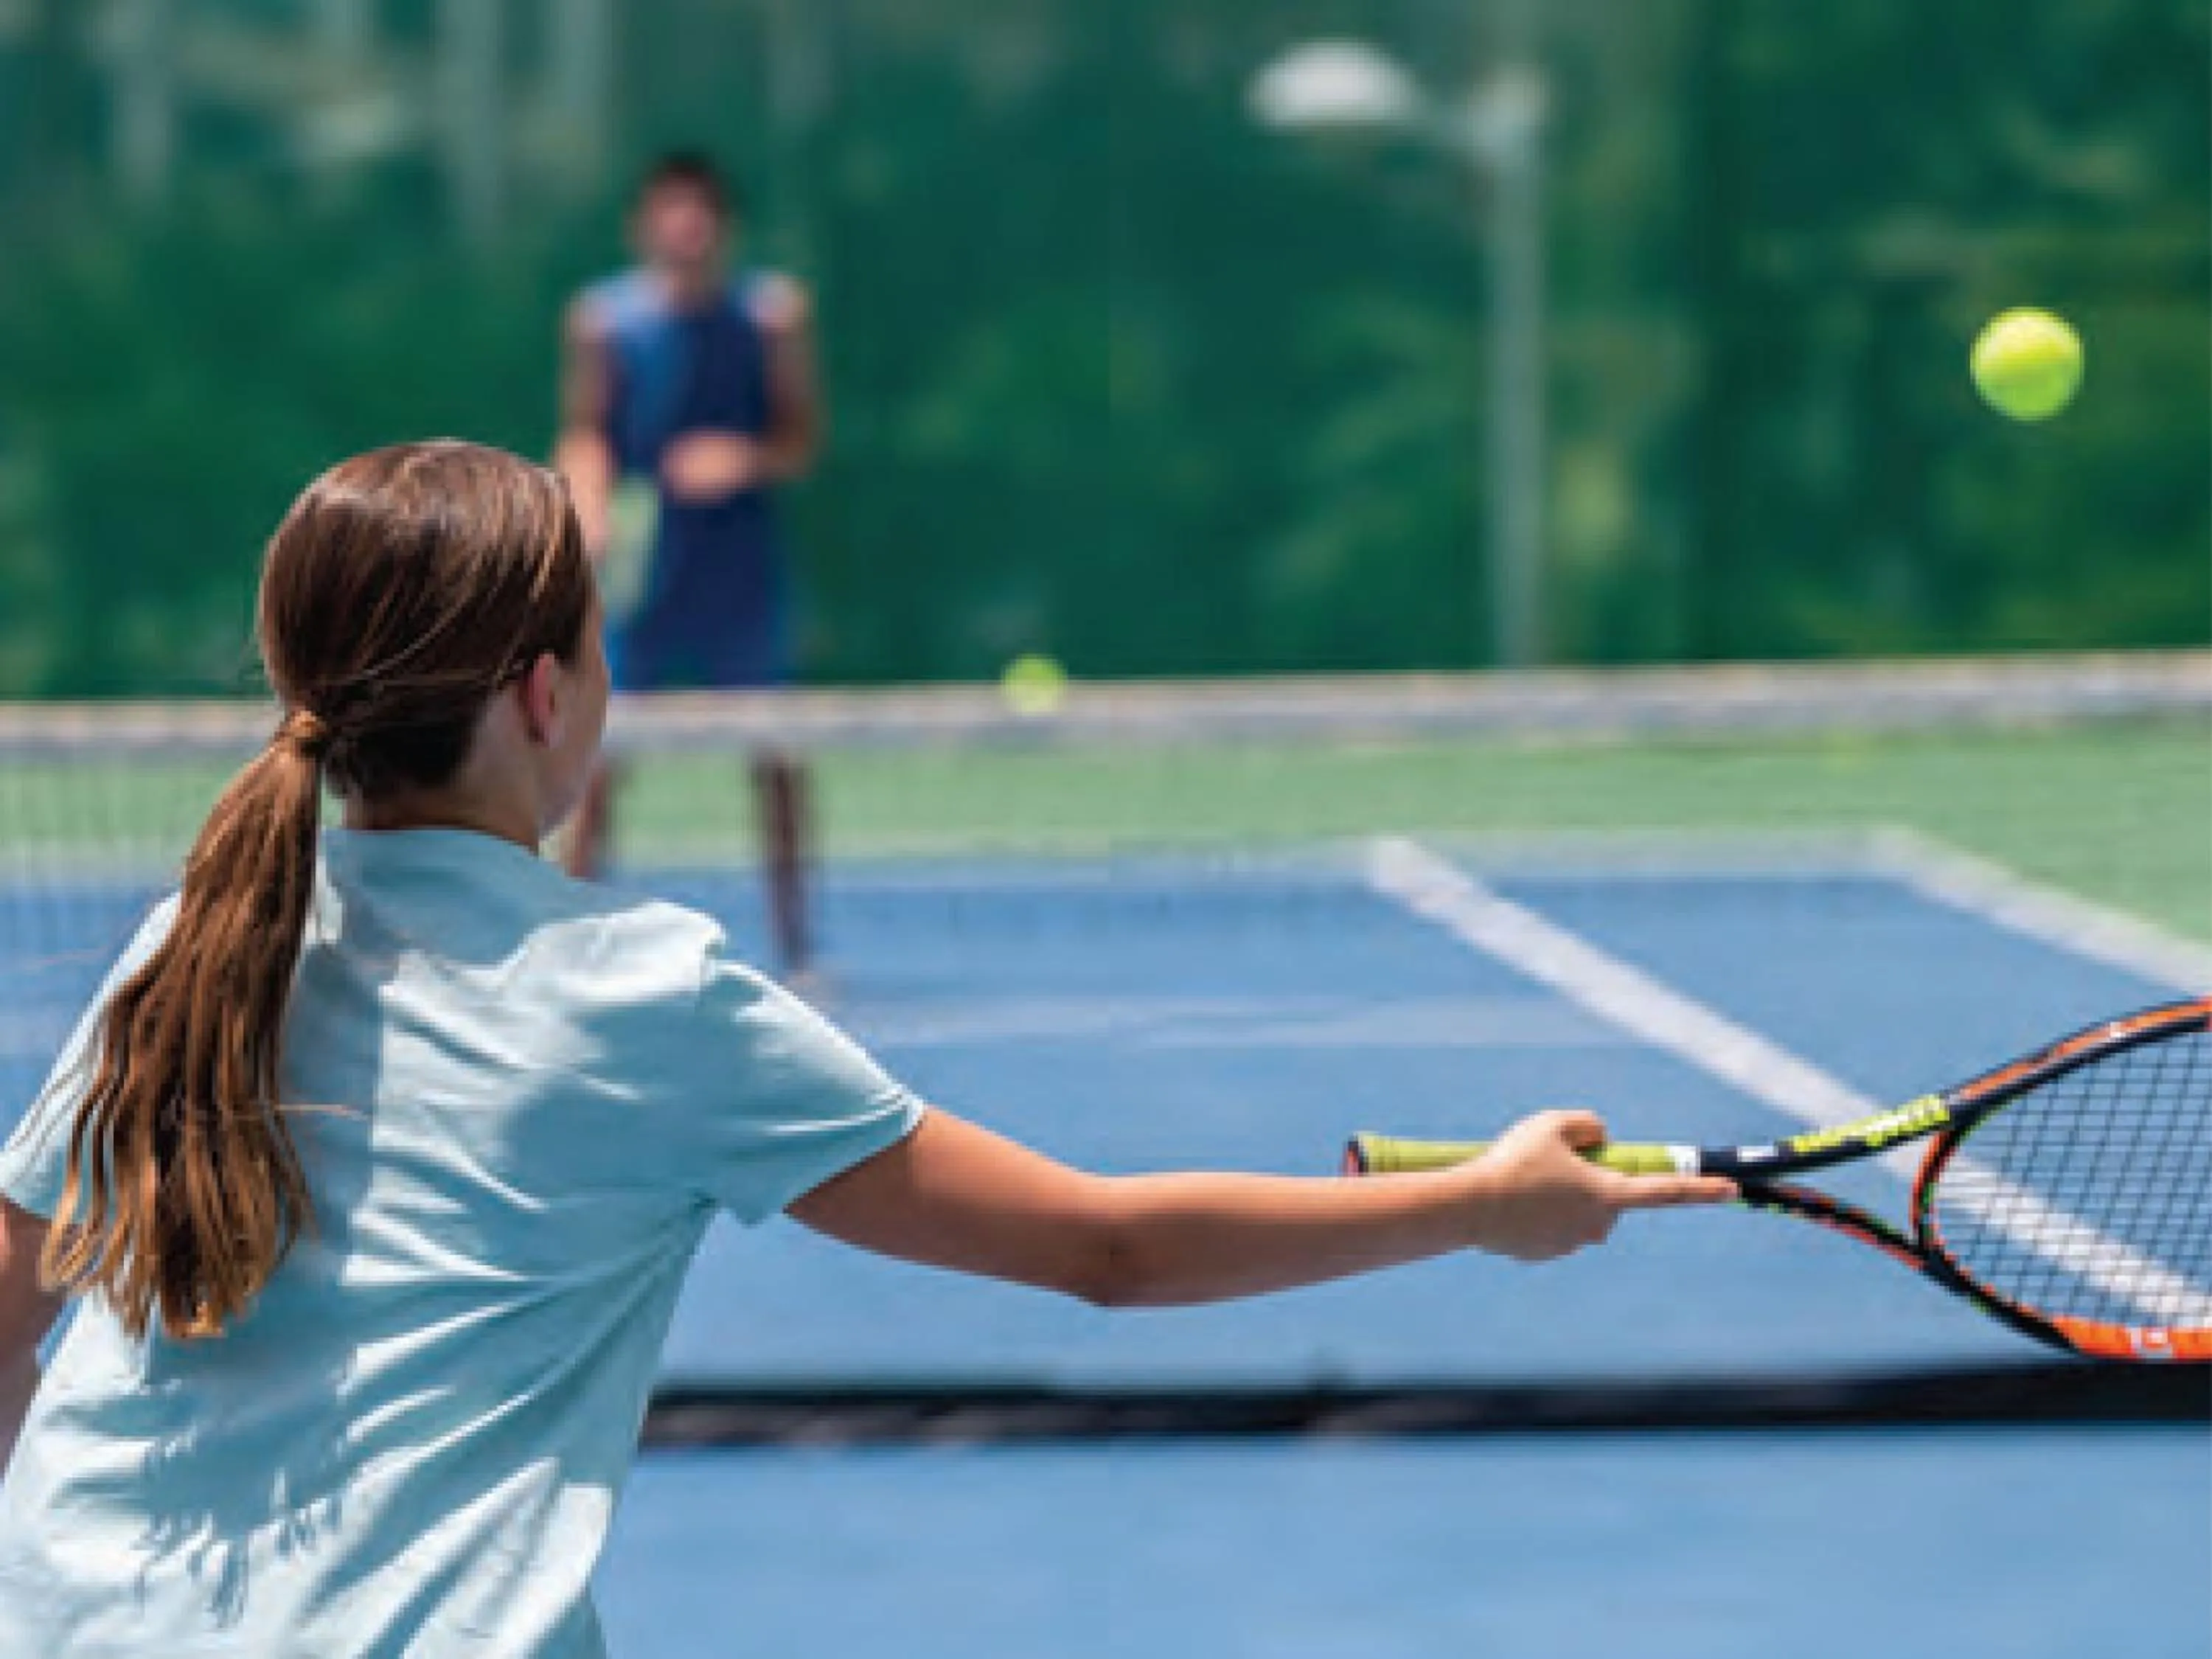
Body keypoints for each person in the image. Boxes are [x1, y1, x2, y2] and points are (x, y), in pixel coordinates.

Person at [0, 442, 1732, 1655]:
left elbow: (14, 1275)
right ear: (546, 694)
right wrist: (1489, 1203)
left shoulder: (188, 947)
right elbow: (1103, 1247)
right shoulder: (635, 991)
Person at [556, 151, 820, 978]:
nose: (686, 231)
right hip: (646, 571)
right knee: (597, 759)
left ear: (723, 228)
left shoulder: (774, 317)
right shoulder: (603, 322)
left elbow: (800, 440)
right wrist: (588, 506)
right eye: (671, 215)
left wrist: (743, 460)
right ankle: (564, 948)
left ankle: (797, 947)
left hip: (740, 569)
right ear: (645, 227)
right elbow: (586, 432)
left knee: (775, 758)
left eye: (700, 215)